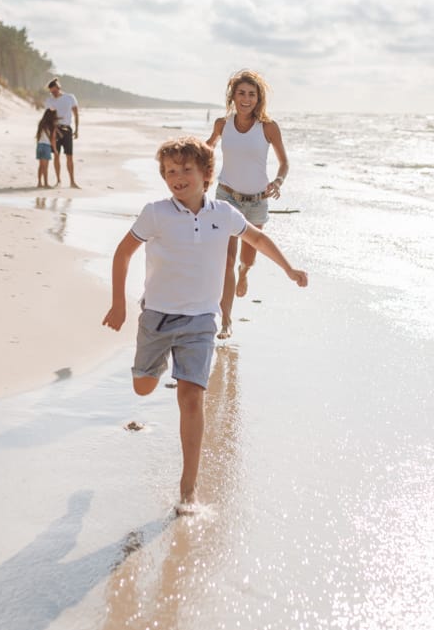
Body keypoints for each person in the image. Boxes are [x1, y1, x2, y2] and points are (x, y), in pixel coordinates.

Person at [102, 136, 307, 512]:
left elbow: (258, 239)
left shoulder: (223, 214)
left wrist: (289, 269)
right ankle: (159, 364)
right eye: (170, 172)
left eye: (185, 170)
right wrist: (118, 303)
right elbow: (123, 252)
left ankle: (188, 488)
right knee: (143, 387)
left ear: (206, 174)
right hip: (157, 316)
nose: (177, 177)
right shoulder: (155, 213)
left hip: (201, 321)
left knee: (192, 398)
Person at [205, 69, 289, 340]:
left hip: (257, 202)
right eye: (241, 93)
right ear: (233, 96)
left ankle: (245, 272)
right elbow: (207, 148)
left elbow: (284, 163)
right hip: (227, 197)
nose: (246, 99)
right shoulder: (222, 124)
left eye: (252, 94)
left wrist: (278, 182)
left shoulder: (268, 127)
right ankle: (226, 320)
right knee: (226, 260)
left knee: (246, 259)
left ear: (258, 98)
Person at [43, 78, 80, 188]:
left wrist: (77, 130)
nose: (53, 94)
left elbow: (76, 114)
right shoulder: (49, 101)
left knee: (69, 156)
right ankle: (58, 181)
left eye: (54, 91)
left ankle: (72, 182)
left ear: (59, 88)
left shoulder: (70, 97)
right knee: (56, 155)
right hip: (55, 130)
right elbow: (48, 117)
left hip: (67, 130)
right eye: (51, 92)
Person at [35, 108, 59, 188]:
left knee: (41, 166)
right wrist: (55, 150)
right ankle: (46, 183)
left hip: (39, 145)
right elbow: (53, 139)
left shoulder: (41, 123)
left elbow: (38, 135)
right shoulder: (52, 125)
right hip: (46, 146)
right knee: (45, 167)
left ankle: (39, 183)